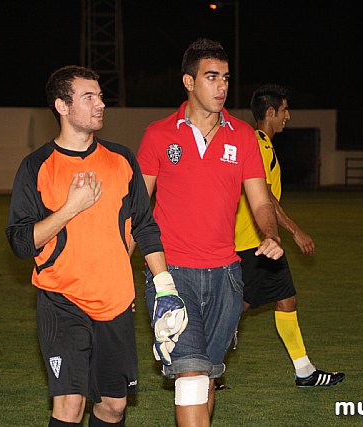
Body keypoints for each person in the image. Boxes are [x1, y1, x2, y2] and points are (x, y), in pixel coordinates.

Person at [5, 65, 186, 427]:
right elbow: (21, 242)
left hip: (114, 303)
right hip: (61, 301)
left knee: (113, 406)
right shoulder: (36, 166)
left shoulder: (121, 160)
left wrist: (165, 285)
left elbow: (146, 227)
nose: (100, 103)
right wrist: (70, 209)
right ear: (62, 105)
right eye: (89, 97)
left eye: (100, 96)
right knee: (69, 404)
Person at [136, 39, 284, 426]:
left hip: (226, 278)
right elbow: (135, 210)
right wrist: (117, 270)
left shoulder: (243, 137)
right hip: (172, 275)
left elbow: (262, 202)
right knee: (190, 376)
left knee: (208, 376)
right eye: (211, 77)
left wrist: (272, 234)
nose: (221, 87)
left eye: (226, 78)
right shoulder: (158, 135)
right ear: (189, 81)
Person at [232, 83, 344, 388]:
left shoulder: (254, 142)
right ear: (270, 112)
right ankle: (202, 363)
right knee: (235, 309)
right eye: (284, 110)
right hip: (255, 244)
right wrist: (295, 231)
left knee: (284, 299)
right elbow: (265, 195)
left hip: (255, 243)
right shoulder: (260, 145)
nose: (288, 116)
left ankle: (304, 371)